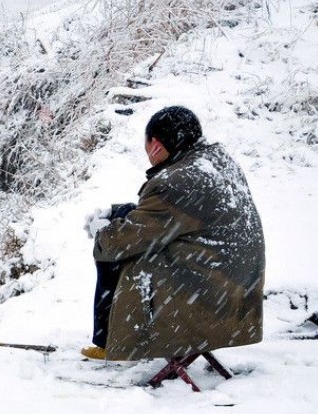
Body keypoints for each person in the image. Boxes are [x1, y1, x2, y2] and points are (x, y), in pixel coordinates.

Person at [81, 105, 265, 362]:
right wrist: (118, 212)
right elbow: (171, 216)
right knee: (124, 232)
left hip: (209, 300)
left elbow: (121, 243)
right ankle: (107, 338)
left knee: (118, 255)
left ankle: (108, 342)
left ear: (155, 144)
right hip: (236, 292)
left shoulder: (176, 182)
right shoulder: (214, 162)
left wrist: (102, 233)